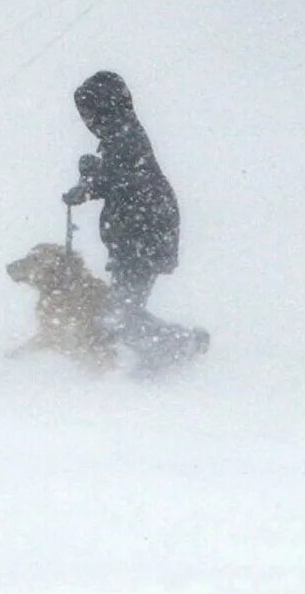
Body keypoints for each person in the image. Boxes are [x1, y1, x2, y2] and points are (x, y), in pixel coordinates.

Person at [61, 71, 208, 375]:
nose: (86, 120)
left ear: (105, 107)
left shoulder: (124, 137)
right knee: (121, 312)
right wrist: (90, 180)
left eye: (89, 111)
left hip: (141, 236)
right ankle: (162, 356)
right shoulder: (120, 136)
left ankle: (181, 346)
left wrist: (89, 182)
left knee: (119, 315)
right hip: (137, 235)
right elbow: (118, 179)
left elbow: (122, 179)